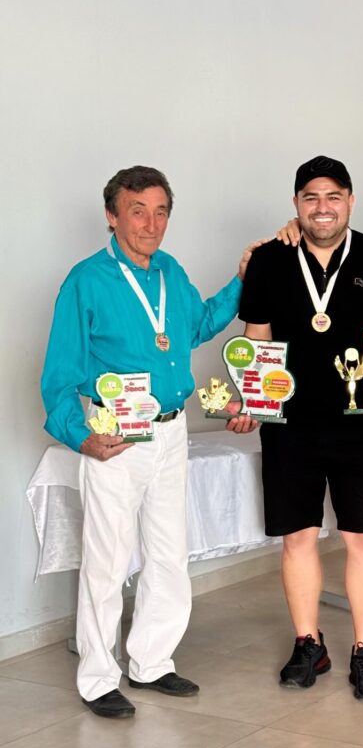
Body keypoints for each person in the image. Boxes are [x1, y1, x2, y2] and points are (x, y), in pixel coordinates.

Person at [41, 165, 253, 719]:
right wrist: (81, 437)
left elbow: (198, 326)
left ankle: (152, 662)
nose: (151, 224)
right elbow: (59, 374)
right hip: (116, 435)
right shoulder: (86, 281)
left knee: (167, 552)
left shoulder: (170, 272)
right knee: (107, 560)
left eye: (161, 212)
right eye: (138, 211)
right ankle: (97, 678)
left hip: (172, 429)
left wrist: (242, 280)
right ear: (112, 217)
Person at [238, 156, 363, 700]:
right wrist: (252, 398)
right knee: (297, 537)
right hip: (289, 425)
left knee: (362, 538)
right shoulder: (269, 259)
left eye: (333, 196)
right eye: (311, 197)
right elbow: (257, 336)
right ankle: (308, 643)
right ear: (296, 203)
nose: (322, 207)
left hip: (358, 424)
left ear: (350, 201)